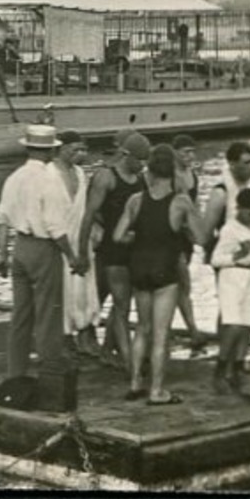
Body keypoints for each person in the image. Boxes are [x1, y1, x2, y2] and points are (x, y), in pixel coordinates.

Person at [0, 125, 81, 383]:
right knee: (48, 314)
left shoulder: (15, 177)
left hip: (20, 246)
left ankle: (15, 373)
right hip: (44, 249)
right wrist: (72, 256)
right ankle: (49, 374)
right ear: (52, 150)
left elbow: (3, 217)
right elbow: (55, 226)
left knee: (21, 315)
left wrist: (2, 255)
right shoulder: (49, 179)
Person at [114, 143, 196, 404]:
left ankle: (136, 382)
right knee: (161, 335)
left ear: (149, 170)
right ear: (172, 170)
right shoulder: (180, 201)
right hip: (165, 271)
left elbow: (117, 236)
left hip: (139, 268)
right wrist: (185, 228)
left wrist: (137, 236)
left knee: (142, 328)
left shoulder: (136, 200)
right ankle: (157, 391)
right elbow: (202, 235)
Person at [84, 131, 151, 367]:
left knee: (123, 303)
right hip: (108, 250)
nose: (142, 166)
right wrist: (83, 249)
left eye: (146, 162)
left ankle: (109, 348)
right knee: (101, 296)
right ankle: (87, 339)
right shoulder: (106, 177)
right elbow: (89, 213)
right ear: (125, 155)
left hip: (131, 250)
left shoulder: (141, 180)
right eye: (139, 161)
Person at [202, 141, 250, 373]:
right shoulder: (221, 193)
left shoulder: (247, 191)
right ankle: (227, 359)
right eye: (247, 163)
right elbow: (205, 232)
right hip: (227, 257)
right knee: (230, 311)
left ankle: (235, 356)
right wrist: (223, 259)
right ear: (232, 164)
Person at [210, 187, 250, 394]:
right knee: (233, 324)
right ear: (239, 209)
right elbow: (215, 259)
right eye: (249, 213)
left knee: (246, 323)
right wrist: (235, 256)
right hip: (232, 277)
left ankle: (237, 367)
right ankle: (220, 368)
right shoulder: (229, 229)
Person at [52, 130, 98, 359]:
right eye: (74, 149)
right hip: (59, 239)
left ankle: (83, 332)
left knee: (83, 288)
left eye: (82, 150)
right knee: (62, 287)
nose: (79, 154)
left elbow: (87, 208)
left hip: (81, 238)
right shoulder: (50, 174)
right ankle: (63, 337)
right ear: (61, 149)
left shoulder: (81, 174)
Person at [170, 134, 210, 355]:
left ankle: (190, 327)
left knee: (183, 286)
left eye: (192, 152)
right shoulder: (172, 176)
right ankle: (192, 329)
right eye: (185, 152)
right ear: (175, 153)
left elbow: (195, 207)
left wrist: (201, 232)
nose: (190, 156)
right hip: (174, 235)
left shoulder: (192, 175)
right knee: (180, 281)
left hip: (186, 236)